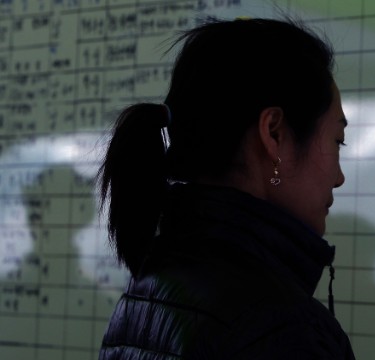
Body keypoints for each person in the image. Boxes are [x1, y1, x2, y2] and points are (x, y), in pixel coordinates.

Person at [97, 17, 354, 359]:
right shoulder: (285, 331)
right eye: (338, 141)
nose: (339, 177)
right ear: (274, 134)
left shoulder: (146, 292)